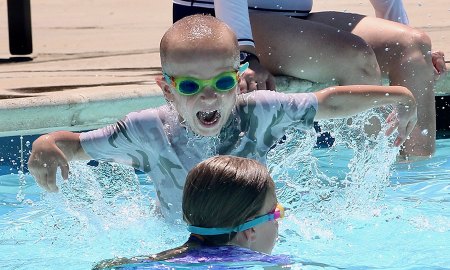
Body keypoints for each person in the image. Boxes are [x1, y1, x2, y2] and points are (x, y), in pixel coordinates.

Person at [28, 14, 417, 221]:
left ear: (238, 77)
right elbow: (75, 145)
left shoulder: (260, 111)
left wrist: (397, 95)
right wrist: (46, 144)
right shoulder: (148, 130)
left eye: (221, 81)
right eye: (190, 87)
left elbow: (328, 102)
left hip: (254, 229)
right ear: (167, 90)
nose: (209, 94)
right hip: (185, 239)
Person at [172, 0, 447, 157]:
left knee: (413, 49)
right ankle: (366, 190)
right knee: (355, 58)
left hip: (291, 21)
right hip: (213, 24)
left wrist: (405, 34)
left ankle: (414, 182)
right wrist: (244, 56)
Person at [93, 155, 290, 270]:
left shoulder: (159, 261)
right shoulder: (263, 264)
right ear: (251, 230)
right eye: (276, 213)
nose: (279, 220)